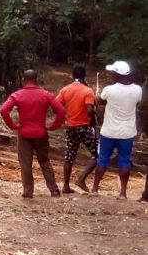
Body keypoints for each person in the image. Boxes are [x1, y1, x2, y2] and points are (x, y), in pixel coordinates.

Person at [0, 69, 66, 198]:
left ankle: (28, 191)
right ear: (36, 79)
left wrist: (13, 125)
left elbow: (3, 110)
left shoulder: (17, 95)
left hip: (24, 133)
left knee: (25, 163)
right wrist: (53, 125)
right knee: (44, 161)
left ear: (24, 80)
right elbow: (62, 111)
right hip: (41, 133)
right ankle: (54, 190)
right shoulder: (46, 95)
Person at [91, 61, 143, 199]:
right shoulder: (137, 90)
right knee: (124, 161)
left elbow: (100, 101)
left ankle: (95, 189)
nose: (111, 75)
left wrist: (97, 98)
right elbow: (137, 101)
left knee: (102, 159)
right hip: (127, 132)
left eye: (113, 73)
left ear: (117, 74)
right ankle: (123, 193)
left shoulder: (109, 90)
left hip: (108, 131)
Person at [55, 66, 98, 193]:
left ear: (72, 75)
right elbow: (89, 109)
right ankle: (81, 179)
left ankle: (66, 186)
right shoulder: (87, 90)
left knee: (69, 155)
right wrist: (93, 120)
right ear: (84, 75)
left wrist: (65, 115)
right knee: (98, 154)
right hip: (84, 126)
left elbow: (56, 104)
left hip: (71, 126)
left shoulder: (65, 89)